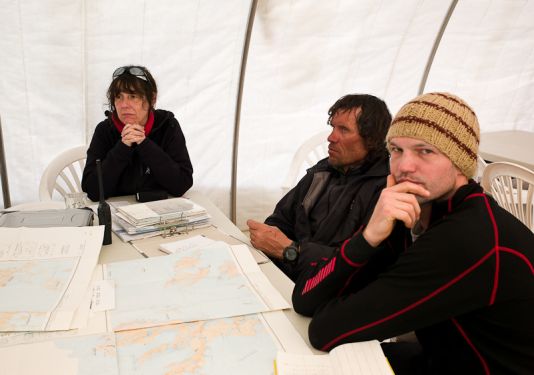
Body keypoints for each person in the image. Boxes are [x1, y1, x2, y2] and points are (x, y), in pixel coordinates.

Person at [292, 92, 534, 374]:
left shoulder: (465, 238)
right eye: (396, 150)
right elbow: (306, 298)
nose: (404, 165)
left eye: (425, 151)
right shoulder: (412, 214)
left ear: (460, 163)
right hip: (445, 356)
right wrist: (368, 237)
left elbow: (325, 330)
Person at [247, 94, 392, 281]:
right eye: (333, 127)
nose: (331, 137)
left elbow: (357, 266)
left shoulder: (384, 193)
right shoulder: (322, 172)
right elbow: (281, 220)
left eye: (344, 130)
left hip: (327, 292)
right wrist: (269, 238)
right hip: (287, 275)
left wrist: (291, 251)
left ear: (371, 139)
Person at [82, 65, 193, 201]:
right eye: (118, 97)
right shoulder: (104, 130)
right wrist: (122, 147)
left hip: (159, 211)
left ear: (152, 99)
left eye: (133, 96)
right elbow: (92, 191)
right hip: (116, 213)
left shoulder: (168, 126)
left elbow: (181, 184)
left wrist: (144, 144)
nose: (124, 105)